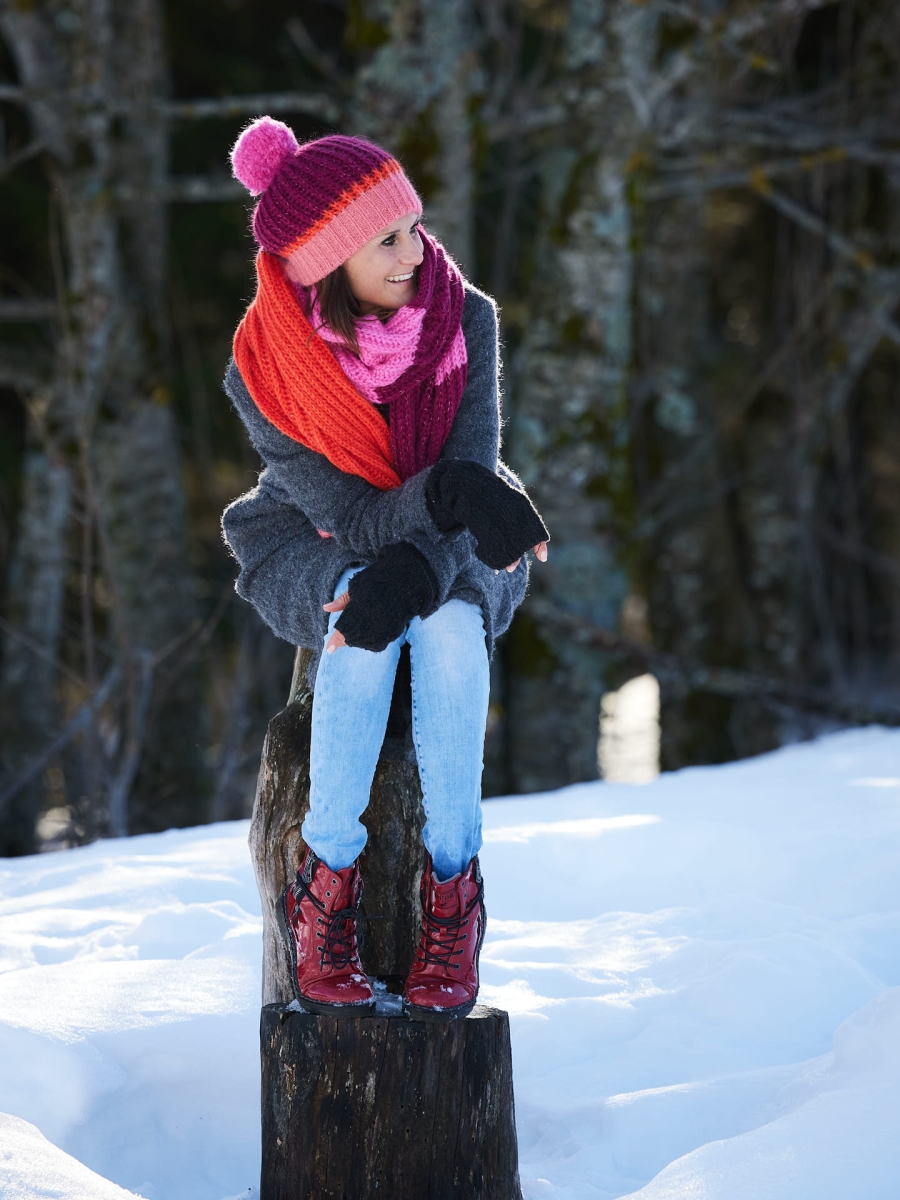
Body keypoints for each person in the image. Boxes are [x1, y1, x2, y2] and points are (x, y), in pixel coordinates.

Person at [222, 118, 549, 1021]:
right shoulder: (266, 372)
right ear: (327, 265)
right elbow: (356, 517)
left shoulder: (465, 318)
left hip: (460, 533)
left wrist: (437, 536)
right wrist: (433, 508)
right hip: (319, 531)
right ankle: (324, 885)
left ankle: (455, 891)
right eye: (388, 241)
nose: (417, 253)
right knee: (360, 631)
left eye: (413, 226)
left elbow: (470, 476)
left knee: (448, 628)